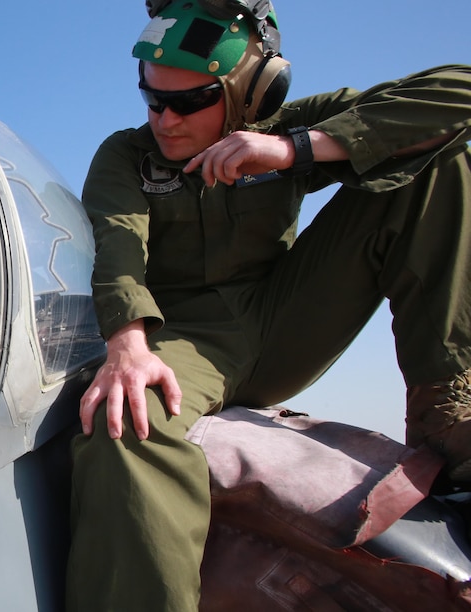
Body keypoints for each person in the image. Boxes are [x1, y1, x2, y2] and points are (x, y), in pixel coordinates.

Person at [68, 0, 471, 609]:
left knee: (434, 161)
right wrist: (126, 344)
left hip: (285, 317)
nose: (165, 120)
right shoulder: (126, 157)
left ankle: (451, 409)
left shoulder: (278, 130)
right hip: (191, 341)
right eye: (153, 99)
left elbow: (458, 93)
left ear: (251, 93)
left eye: (189, 102)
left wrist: (296, 151)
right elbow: (117, 244)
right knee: (128, 425)